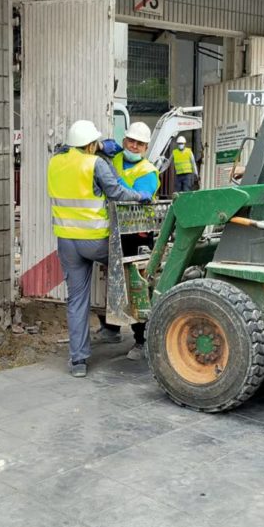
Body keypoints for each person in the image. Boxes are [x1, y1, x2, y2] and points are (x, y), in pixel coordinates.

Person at [48, 119, 151, 377]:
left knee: (77, 299)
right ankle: (136, 335)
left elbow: (64, 150)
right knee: (128, 275)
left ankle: (78, 361)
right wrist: (141, 197)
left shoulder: (55, 162)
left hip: (66, 240)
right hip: (95, 240)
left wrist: (103, 145)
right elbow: (116, 191)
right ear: (91, 145)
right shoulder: (95, 164)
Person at [94, 121, 159, 361]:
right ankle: (110, 328)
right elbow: (108, 147)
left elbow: (136, 196)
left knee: (135, 287)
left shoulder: (148, 172)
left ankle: (141, 340)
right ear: (125, 141)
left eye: (139, 143)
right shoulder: (118, 156)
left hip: (137, 234)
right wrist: (101, 145)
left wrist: (110, 180)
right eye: (131, 141)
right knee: (109, 279)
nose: (134, 146)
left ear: (145, 147)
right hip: (113, 230)